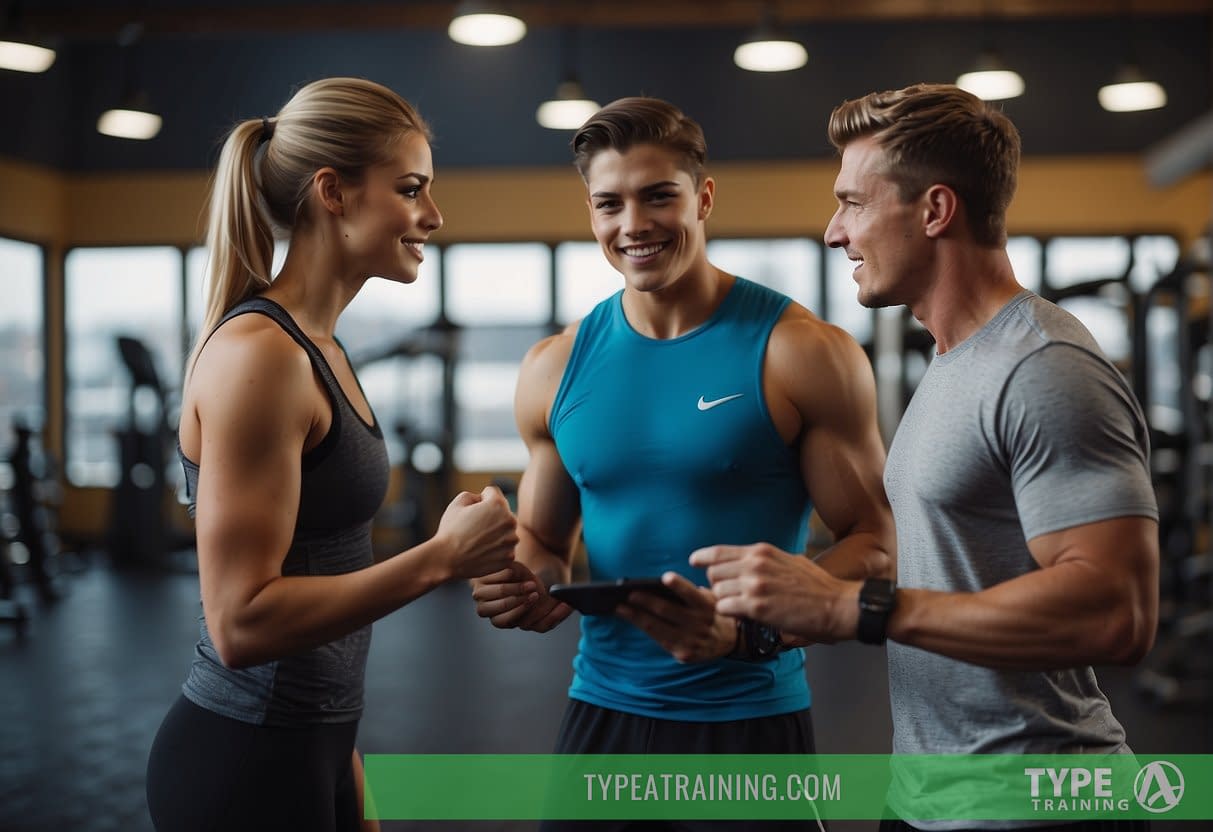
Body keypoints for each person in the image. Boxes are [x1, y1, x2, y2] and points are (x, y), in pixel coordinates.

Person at [693, 83, 1160, 832]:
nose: (832, 232)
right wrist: (775, 618)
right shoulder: (952, 360)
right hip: (925, 796)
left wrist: (854, 608)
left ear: (935, 211)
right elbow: (954, 564)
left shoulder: (1043, 366)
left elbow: (1116, 612)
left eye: (852, 203)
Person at [471, 96, 895, 831]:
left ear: (701, 198)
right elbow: (542, 543)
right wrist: (525, 585)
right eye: (608, 204)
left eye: (656, 196)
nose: (632, 225)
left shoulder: (802, 351)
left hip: (746, 719)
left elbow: (877, 543)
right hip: (600, 717)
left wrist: (750, 623)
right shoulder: (554, 367)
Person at [145, 77, 519, 832]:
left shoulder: (321, 350)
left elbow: (326, 587)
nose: (433, 216)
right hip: (242, 765)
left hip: (313, 750)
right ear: (333, 192)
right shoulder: (263, 356)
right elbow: (241, 623)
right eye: (411, 188)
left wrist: (347, 777)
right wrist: (440, 558)